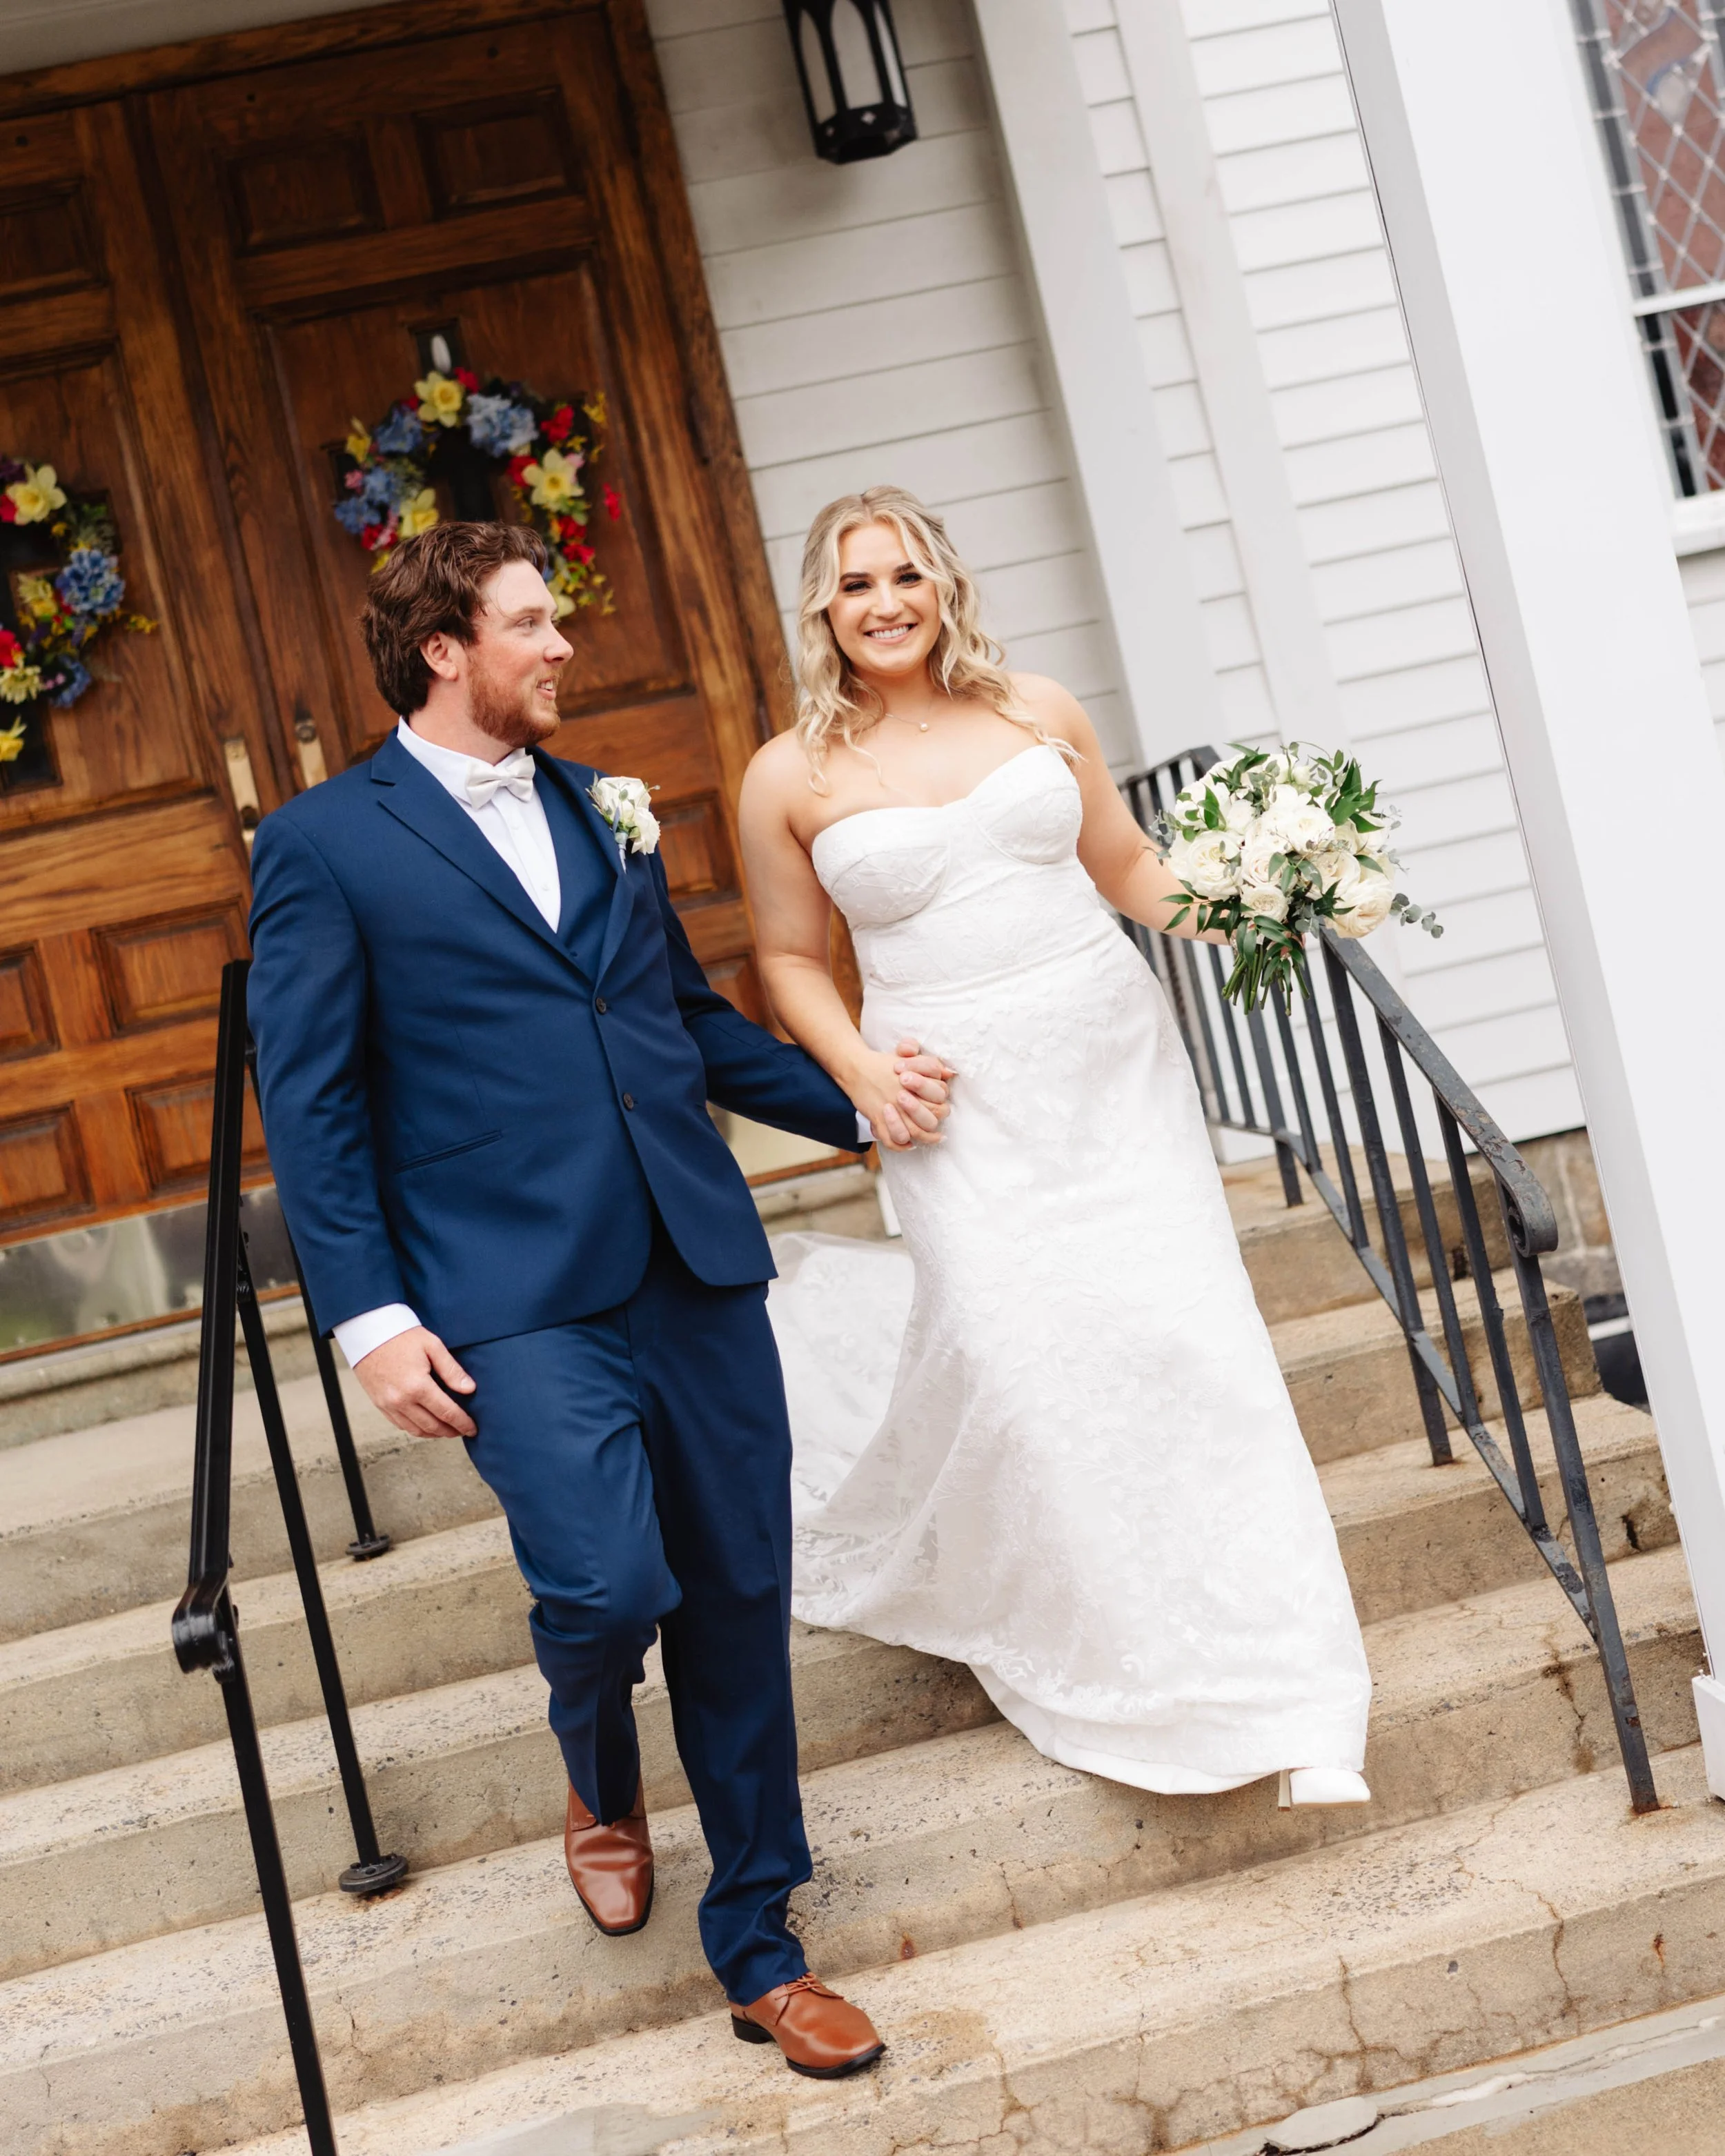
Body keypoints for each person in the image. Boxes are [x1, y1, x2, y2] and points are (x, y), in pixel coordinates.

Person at [247, 520, 954, 2078]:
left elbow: (682, 1026)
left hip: (690, 1262)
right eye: (531, 623)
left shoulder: (603, 809)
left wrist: (868, 1094)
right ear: (447, 651)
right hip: (504, 1291)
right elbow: (312, 1104)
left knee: (735, 1599)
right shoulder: (323, 842)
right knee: (605, 1581)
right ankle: (595, 1762)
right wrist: (367, 1314)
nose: (562, 645)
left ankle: (762, 1944)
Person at [738, 486, 1373, 1807]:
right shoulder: (790, 772)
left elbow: (1132, 869)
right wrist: (857, 1069)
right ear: (824, 609)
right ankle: (1129, 1664)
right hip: (956, 1108)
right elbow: (792, 958)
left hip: (1110, 1075)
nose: (887, 602)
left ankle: (1297, 1689)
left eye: (906, 573)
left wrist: (1271, 888)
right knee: (1034, 1369)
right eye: (857, 584)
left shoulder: (1040, 709)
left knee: (1191, 1349)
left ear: (945, 582)